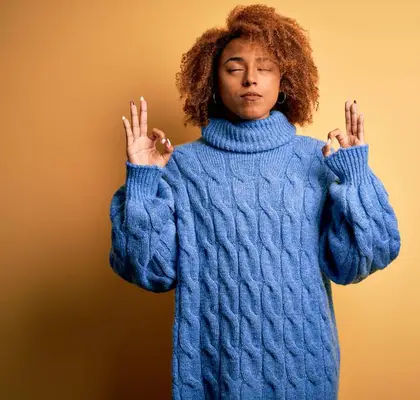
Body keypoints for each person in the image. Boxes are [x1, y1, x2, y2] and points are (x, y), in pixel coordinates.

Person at [109, 4, 401, 399]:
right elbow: (151, 271)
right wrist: (144, 180)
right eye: (234, 67)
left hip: (305, 368)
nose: (250, 79)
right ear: (212, 80)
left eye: (265, 67)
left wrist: (356, 176)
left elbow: (361, 260)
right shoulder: (180, 166)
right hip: (214, 372)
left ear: (285, 79)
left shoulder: (318, 160)